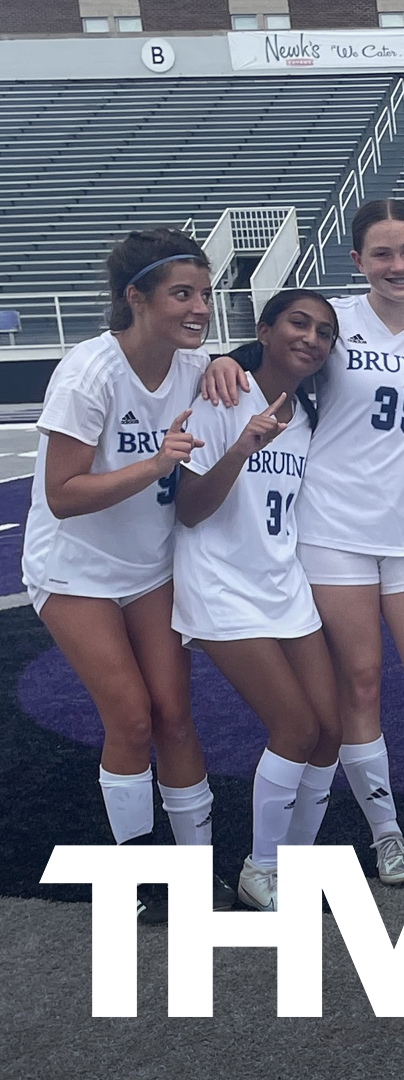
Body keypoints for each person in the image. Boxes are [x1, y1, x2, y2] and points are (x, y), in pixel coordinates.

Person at [205, 198, 404, 884]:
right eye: (382, 254)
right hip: (334, 532)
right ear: (357, 261)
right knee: (359, 683)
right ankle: (386, 832)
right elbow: (266, 351)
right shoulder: (334, 322)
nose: (398, 265)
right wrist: (218, 355)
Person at [24, 228, 229, 919]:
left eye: (204, 293)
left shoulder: (192, 364)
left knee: (175, 715)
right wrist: (154, 464)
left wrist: (229, 363)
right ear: (135, 297)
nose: (199, 307)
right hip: (75, 568)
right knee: (132, 718)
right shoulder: (90, 371)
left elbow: (237, 369)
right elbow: (62, 493)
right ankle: (139, 881)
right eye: (182, 294)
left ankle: (197, 871)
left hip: (147, 565)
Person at [173, 290, 342, 909]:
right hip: (220, 584)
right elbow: (189, 512)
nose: (311, 338)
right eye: (299, 323)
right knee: (294, 726)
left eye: (324, 332)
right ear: (264, 330)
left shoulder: (308, 412)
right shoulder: (222, 395)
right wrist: (244, 445)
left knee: (331, 731)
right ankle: (260, 868)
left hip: (282, 583)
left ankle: (294, 864)